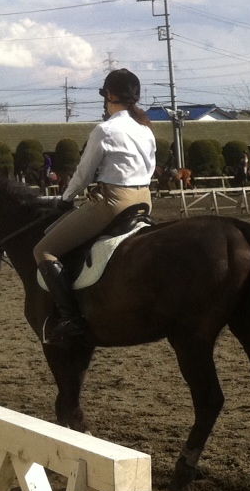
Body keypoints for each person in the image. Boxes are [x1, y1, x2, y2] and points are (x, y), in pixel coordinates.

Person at [32, 69, 157, 340]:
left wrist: (65, 200)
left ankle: (70, 318)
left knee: (44, 250)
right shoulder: (146, 129)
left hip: (114, 202)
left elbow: (84, 172)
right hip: (145, 200)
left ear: (109, 95)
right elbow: (150, 167)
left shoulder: (105, 129)